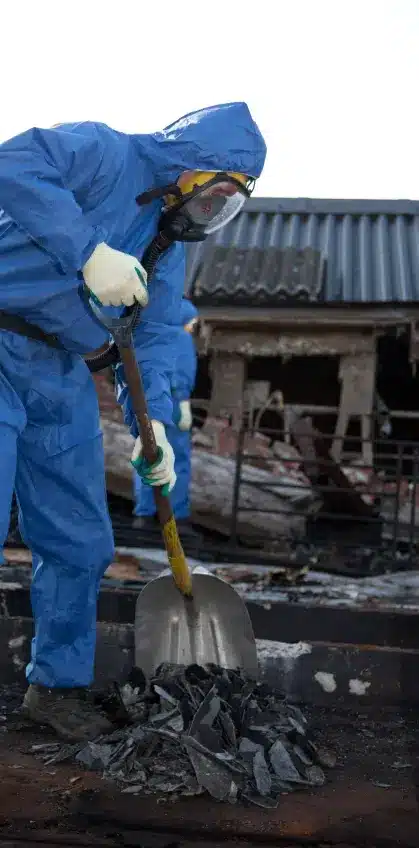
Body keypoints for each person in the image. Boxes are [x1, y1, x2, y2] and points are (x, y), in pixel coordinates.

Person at [0, 102, 266, 740]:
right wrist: (88, 251)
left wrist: (156, 437)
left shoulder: (164, 248)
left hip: (58, 369)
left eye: (227, 207)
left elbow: (144, 340)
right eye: (213, 198)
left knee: (79, 538)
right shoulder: (102, 152)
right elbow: (12, 163)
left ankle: (55, 687)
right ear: (189, 171)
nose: (209, 216)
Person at [133, 297, 199, 540]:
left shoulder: (150, 332)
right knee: (178, 458)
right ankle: (177, 515)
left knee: (147, 453)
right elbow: (181, 371)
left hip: (147, 402)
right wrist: (183, 400)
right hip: (172, 402)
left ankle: (143, 514)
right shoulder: (181, 337)